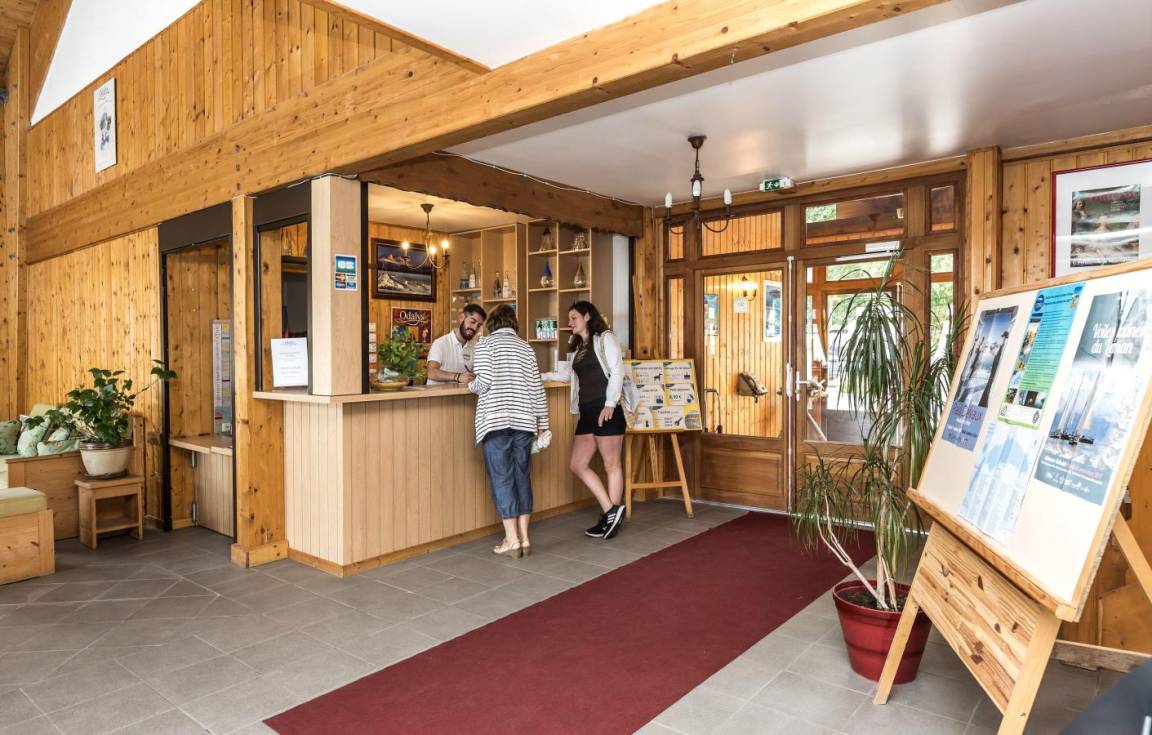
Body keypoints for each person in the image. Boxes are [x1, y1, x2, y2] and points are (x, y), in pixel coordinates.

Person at [468, 304, 549, 558]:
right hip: (524, 421)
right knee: (522, 476)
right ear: (513, 322)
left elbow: (484, 382)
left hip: (495, 420)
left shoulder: (486, 344)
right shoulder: (526, 348)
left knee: (502, 478)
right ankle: (524, 537)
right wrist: (543, 424)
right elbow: (537, 390)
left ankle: (511, 539)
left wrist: (469, 384)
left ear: (492, 323)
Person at [549, 301, 629, 540]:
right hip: (586, 412)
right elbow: (566, 375)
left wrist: (610, 404)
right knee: (577, 464)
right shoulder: (579, 348)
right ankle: (611, 511)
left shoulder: (605, 338)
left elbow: (617, 370)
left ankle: (609, 519)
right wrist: (536, 375)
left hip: (606, 409)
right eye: (569, 319)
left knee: (611, 465)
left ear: (587, 317)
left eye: (573, 317)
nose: (569, 323)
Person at [426, 304, 486, 385]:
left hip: (460, 393)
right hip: (437, 392)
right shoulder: (440, 343)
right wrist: (458, 377)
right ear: (461, 318)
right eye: (472, 322)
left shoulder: (475, 347)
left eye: (478, 325)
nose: (475, 328)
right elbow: (431, 372)